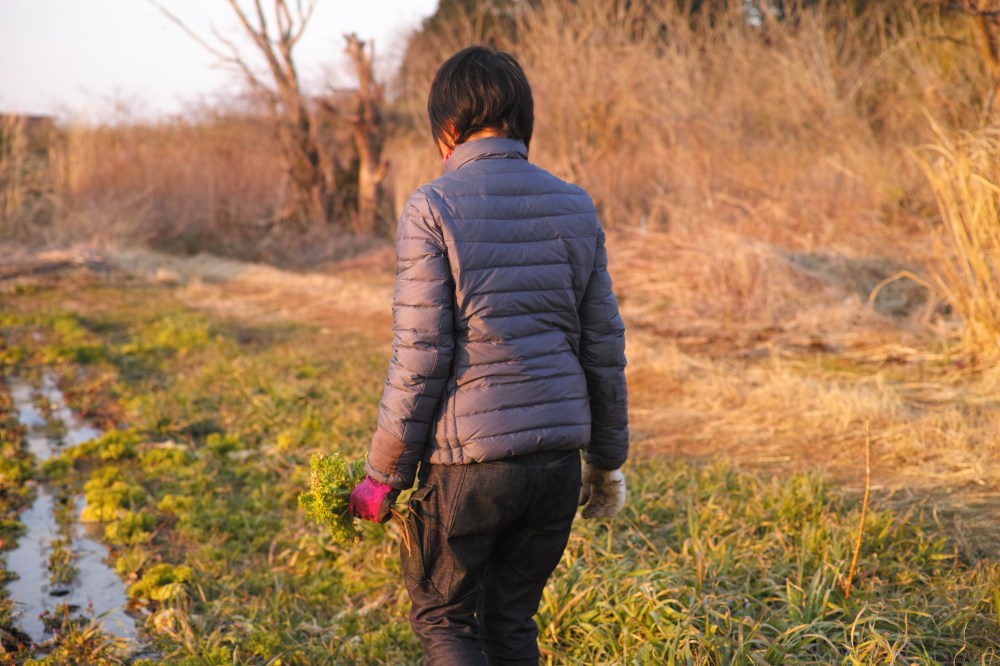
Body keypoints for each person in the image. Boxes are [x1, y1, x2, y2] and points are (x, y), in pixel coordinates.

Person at [349, 45, 629, 665]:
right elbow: (604, 347)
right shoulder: (575, 205)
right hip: (556, 466)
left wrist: (383, 475)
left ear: (447, 130)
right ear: (523, 123)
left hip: (468, 469)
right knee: (511, 619)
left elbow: (420, 355)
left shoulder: (432, 207)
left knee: (445, 619)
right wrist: (606, 463)